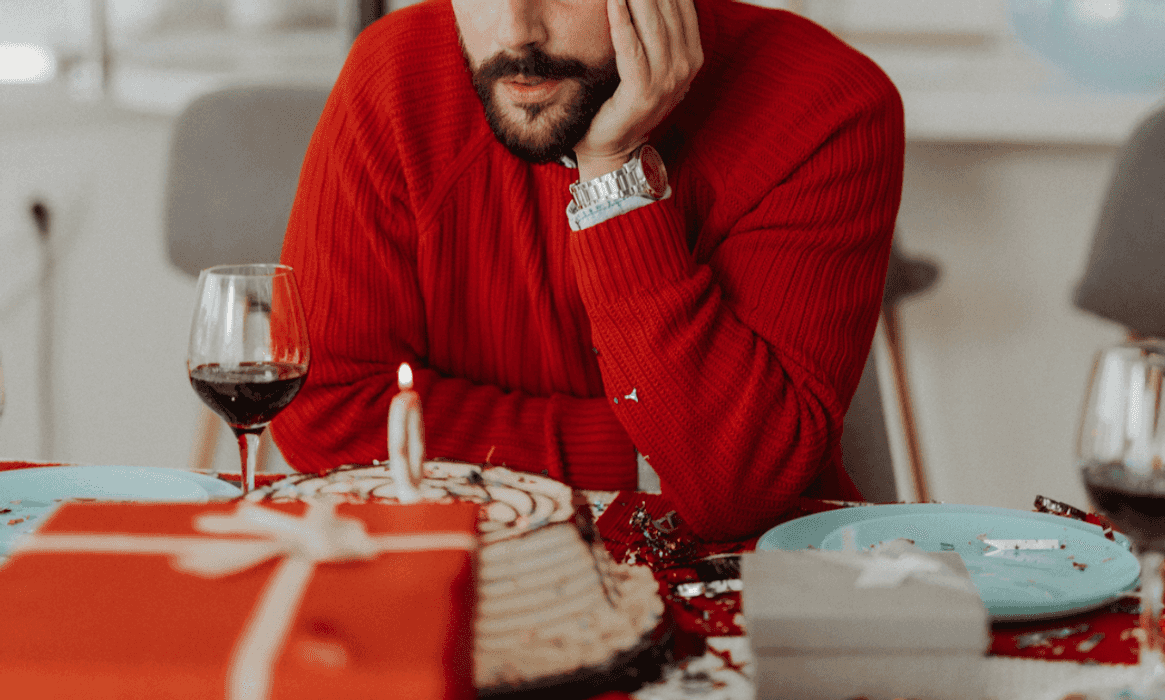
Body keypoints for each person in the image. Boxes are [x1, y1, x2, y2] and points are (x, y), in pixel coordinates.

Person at [270, 0, 905, 541]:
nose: (517, 31)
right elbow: (325, 412)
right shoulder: (396, 75)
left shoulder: (826, 105)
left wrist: (615, 171)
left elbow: (738, 485)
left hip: (745, 589)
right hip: (460, 561)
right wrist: (646, 461)